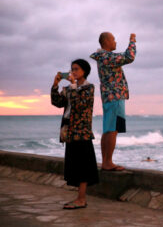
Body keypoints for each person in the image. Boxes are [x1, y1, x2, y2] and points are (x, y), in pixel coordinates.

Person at [51, 59, 99, 209]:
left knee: (83, 167)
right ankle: (80, 198)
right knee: (75, 166)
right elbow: (57, 102)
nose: (73, 72)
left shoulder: (89, 88)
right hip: (70, 131)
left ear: (84, 71)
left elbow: (79, 104)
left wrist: (72, 86)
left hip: (82, 132)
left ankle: (81, 199)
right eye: (72, 69)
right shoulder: (69, 88)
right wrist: (55, 84)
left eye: (76, 69)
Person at [90, 32, 136, 171]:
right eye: (114, 40)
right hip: (114, 96)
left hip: (110, 97)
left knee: (109, 129)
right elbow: (129, 57)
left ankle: (106, 161)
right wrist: (132, 41)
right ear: (106, 42)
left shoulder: (103, 57)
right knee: (112, 130)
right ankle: (107, 162)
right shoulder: (106, 56)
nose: (115, 42)